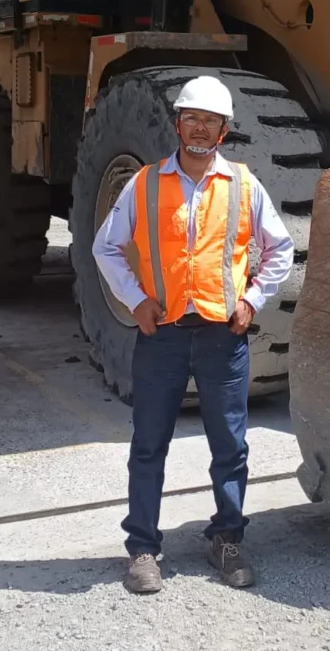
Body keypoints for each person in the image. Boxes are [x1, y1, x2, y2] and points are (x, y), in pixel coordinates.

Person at [92, 75, 294, 594]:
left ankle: (227, 538)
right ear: (178, 124)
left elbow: (280, 249)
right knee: (149, 443)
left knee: (230, 445)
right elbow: (106, 247)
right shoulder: (145, 183)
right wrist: (135, 302)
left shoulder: (245, 187)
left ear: (224, 131)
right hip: (160, 335)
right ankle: (142, 547)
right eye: (192, 119)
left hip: (222, 336)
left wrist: (251, 301)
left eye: (211, 121)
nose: (200, 128)